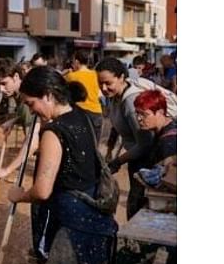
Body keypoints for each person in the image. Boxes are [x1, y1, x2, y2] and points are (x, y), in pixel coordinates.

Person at [3, 66, 117, 264]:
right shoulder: (81, 115)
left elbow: (42, 190)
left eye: (31, 103)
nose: (32, 111)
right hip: (94, 216)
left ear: (47, 95)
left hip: (72, 225)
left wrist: (19, 195)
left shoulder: (53, 132)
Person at [0, 59, 50, 264]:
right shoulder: (22, 97)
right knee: (39, 208)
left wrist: (7, 170)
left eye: (4, 83)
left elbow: (31, 142)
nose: (0, 88)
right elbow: (29, 121)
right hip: (46, 155)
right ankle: (40, 255)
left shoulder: (32, 94)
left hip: (51, 158)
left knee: (42, 209)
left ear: (17, 78)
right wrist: (12, 121)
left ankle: (43, 262)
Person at [96, 57, 155, 220]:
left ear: (122, 77)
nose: (104, 88)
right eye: (100, 83)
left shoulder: (131, 102)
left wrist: (117, 162)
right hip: (136, 159)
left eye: (108, 83)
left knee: (138, 210)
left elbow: (144, 144)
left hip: (148, 162)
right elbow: (117, 126)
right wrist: (109, 150)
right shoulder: (114, 98)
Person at [133, 90, 177, 188]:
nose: (139, 118)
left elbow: (168, 181)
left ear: (160, 112)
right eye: (137, 113)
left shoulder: (168, 143)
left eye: (144, 114)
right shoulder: (169, 127)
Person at [64, 50, 103, 140]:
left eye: (73, 62)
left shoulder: (71, 76)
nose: (72, 64)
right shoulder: (95, 74)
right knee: (95, 145)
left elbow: (58, 80)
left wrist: (65, 72)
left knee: (81, 144)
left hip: (80, 113)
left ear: (77, 62)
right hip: (96, 112)